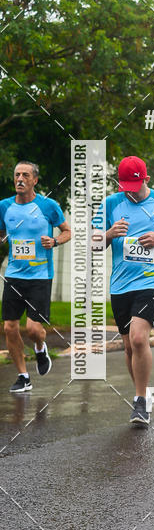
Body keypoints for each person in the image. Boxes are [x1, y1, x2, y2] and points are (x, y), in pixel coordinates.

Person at [93, 156, 154, 427]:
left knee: (138, 338)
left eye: (135, 186)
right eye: (126, 187)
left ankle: (140, 401)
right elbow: (93, 244)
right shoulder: (111, 204)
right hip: (121, 284)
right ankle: (143, 395)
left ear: (146, 179)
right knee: (127, 345)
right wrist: (109, 233)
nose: (130, 192)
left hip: (153, 280)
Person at [0, 161, 71, 393]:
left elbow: (67, 231)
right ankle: (23, 376)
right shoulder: (4, 206)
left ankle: (41, 348)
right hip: (13, 275)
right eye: (17, 174)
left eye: (25, 175)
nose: (20, 178)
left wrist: (54, 241)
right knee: (10, 327)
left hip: (40, 275)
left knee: (32, 329)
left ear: (35, 181)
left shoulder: (48, 206)